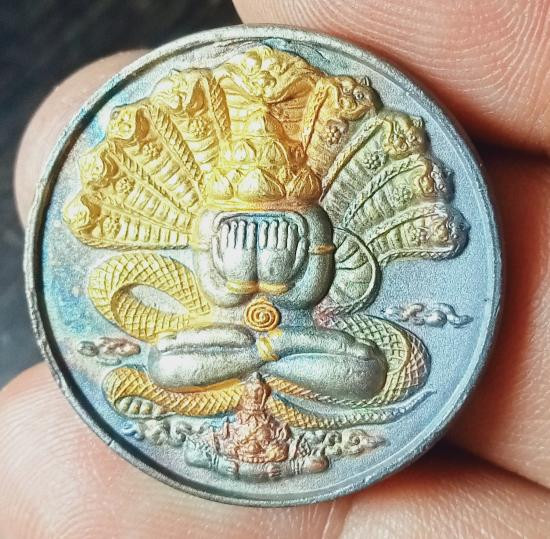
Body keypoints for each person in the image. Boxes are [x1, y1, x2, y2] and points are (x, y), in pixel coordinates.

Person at [2, 0, 550, 536]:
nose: (259, 161)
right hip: (227, 336)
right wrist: (240, 286)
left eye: (272, 156)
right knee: (166, 363)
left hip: (302, 337)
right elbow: (218, 293)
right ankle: (261, 358)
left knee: (366, 369)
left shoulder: (309, 218)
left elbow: (311, 290)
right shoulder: (212, 218)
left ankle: (267, 357)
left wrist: (287, 307)